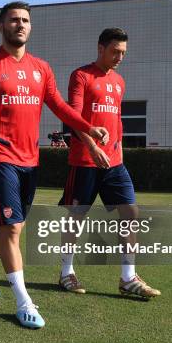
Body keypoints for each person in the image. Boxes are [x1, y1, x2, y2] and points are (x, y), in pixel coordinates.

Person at [0, 1, 109, 329]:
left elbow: (59, 107)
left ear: (30, 27)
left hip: (30, 159)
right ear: (1, 26)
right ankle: (24, 301)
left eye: (25, 20)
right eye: (13, 20)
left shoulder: (42, 68)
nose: (20, 25)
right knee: (12, 228)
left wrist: (87, 128)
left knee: (14, 226)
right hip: (0, 156)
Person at [57, 28, 161, 299]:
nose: (119, 57)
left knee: (131, 213)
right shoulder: (81, 76)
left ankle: (128, 278)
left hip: (114, 163)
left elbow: (117, 121)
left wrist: (121, 154)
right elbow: (74, 118)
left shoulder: (119, 81)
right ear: (100, 48)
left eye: (123, 53)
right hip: (84, 161)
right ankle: (66, 272)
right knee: (76, 217)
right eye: (115, 51)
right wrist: (91, 147)